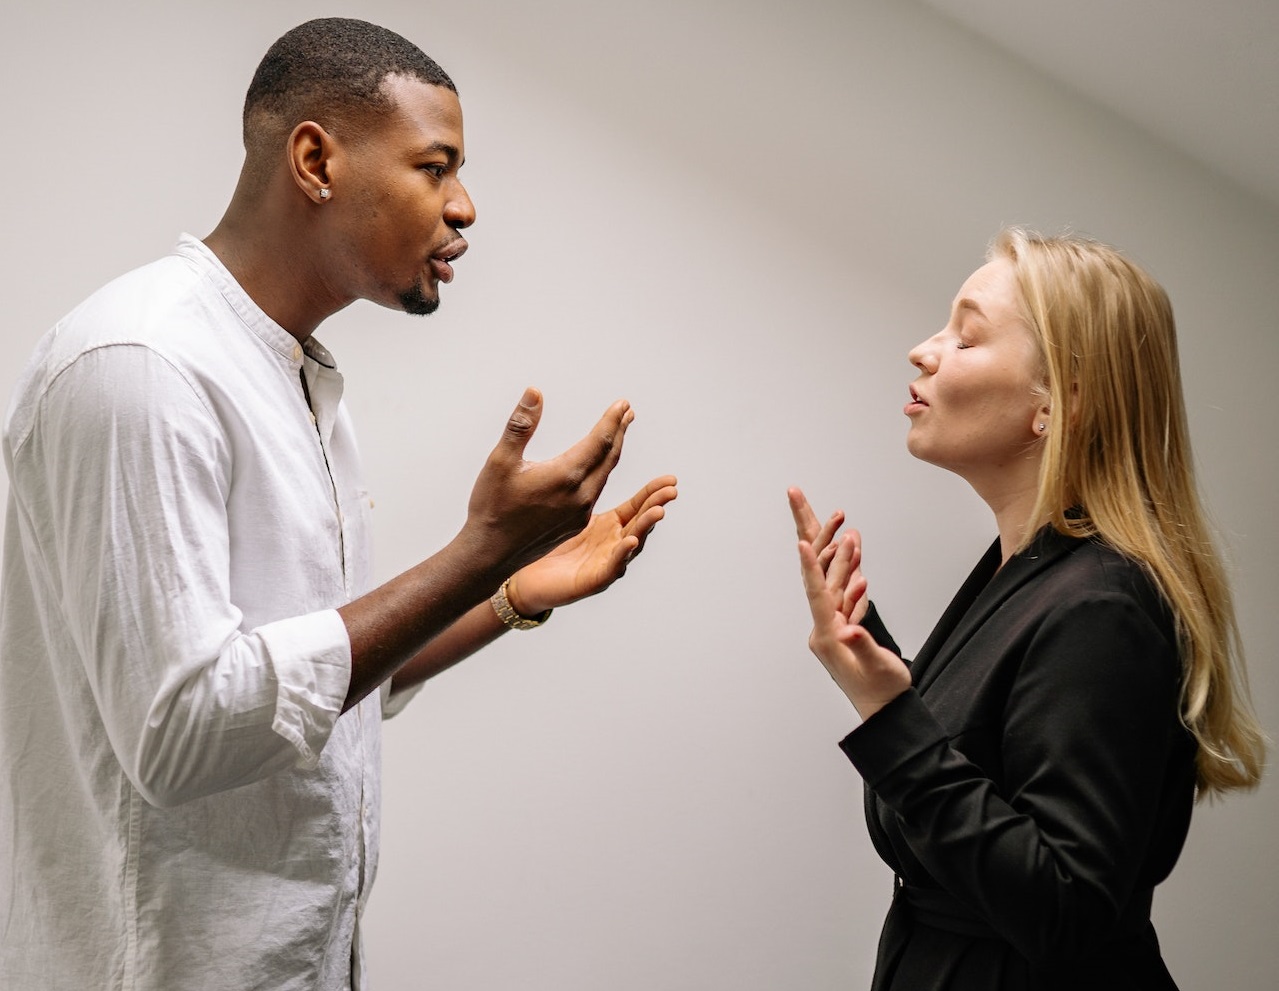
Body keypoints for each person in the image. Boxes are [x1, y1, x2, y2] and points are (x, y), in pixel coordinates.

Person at [0, 17, 676, 991]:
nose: (466, 207)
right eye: (435, 168)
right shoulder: (143, 363)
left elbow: (330, 688)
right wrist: (476, 555)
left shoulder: (294, 381)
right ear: (315, 159)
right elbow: (183, 728)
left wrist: (509, 591)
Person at [788, 228, 1266, 990]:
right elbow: (984, 760)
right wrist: (867, 654)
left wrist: (888, 712)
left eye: (966, 335)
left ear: (1060, 401)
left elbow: (1065, 909)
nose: (923, 349)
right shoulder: (1028, 573)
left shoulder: (1104, 603)